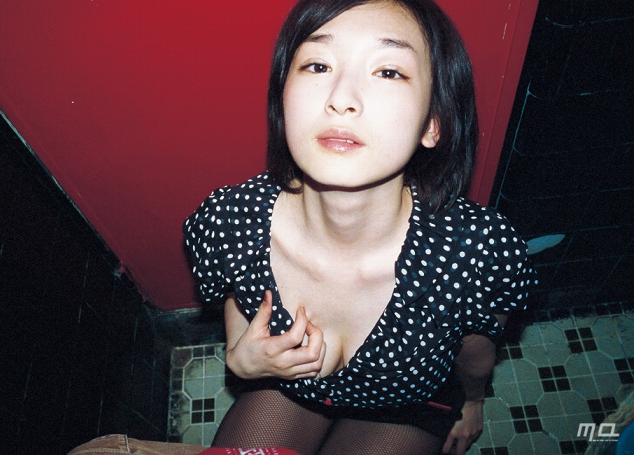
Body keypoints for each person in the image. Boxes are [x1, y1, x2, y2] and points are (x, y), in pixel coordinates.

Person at [183, 0, 537, 454]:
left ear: (433, 123)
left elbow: (477, 353)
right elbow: (237, 287)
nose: (341, 98)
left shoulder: (480, 253)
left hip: (407, 406)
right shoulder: (228, 219)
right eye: (318, 65)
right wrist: (240, 358)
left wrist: (472, 402)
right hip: (290, 387)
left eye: (388, 71)